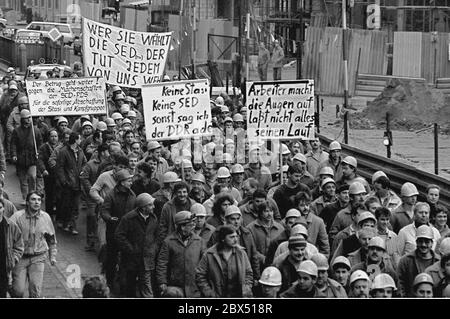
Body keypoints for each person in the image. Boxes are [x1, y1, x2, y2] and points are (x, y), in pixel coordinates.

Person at [10, 191, 57, 298]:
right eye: (33, 199)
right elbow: (8, 236)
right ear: (27, 202)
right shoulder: (17, 217)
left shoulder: (46, 217)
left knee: (35, 290)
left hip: (38, 257)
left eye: (39, 200)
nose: (37, 202)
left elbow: (52, 239)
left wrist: (52, 256)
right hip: (20, 258)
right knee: (18, 291)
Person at [114, 193, 158, 298]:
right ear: (143, 208)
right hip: (131, 259)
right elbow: (119, 236)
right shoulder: (128, 218)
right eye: (150, 205)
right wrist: (131, 249)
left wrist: (154, 249)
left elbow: (157, 235)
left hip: (147, 258)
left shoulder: (153, 218)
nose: (153, 207)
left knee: (146, 284)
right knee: (130, 285)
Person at [100, 169, 136, 290]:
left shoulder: (132, 195)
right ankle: (109, 281)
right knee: (112, 258)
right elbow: (104, 210)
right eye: (128, 180)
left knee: (126, 259)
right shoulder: (111, 195)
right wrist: (110, 218)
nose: (131, 182)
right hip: (113, 232)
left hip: (128, 233)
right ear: (121, 182)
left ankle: (123, 282)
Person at [156, 211, 205, 298]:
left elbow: (205, 264)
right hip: (176, 288)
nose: (194, 226)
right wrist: (162, 282)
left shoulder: (199, 241)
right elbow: (162, 263)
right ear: (182, 227)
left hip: (195, 288)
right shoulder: (168, 242)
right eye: (191, 224)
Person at [195, 225, 253, 297]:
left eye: (236, 236)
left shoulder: (241, 253)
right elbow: (200, 275)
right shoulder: (209, 254)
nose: (235, 240)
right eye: (231, 237)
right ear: (223, 239)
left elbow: (248, 273)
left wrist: (246, 289)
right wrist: (209, 293)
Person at [56, 132, 86, 234]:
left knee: (75, 205)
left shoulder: (81, 151)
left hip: (78, 183)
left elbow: (84, 163)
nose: (81, 140)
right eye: (79, 139)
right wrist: (64, 180)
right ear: (75, 140)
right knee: (67, 204)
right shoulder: (64, 151)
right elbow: (59, 167)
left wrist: (83, 171)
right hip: (68, 184)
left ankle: (72, 225)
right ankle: (66, 222)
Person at [397, 225, 440, 297]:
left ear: (432, 243)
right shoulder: (405, 261)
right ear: (416, 242)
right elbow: (400, 283)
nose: (423, 245)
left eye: (427, 242)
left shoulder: (438, 262)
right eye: (420, 241)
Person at [10, 109, 43, 203]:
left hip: (32, 158)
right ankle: (25, 198)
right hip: (20, 159)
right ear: (22, 119)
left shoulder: (35, 130)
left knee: (33, 177)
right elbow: (13, 144)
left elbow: (40, 143)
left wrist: (39, 152)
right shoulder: (16, 131)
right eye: (26, 118)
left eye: (29, 117)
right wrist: (14, 155)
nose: (28, 120)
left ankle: (32, 196)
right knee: (23, 180)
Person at [247, 201, 285, 270]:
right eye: (266, 211)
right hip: (257, 266)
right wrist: (263, 259)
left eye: (271, 211)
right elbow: (250, 248)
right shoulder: (251, 228)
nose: (269, 214)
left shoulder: (280, 228)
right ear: (261, 213)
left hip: (276, 266)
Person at [0, 198, 23, 298]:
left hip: (3, 268)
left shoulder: (11, 226)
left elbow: (19, 246)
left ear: (3, 209)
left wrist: (12, 260)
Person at [295, 191, 330, 257]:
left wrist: (321, 260)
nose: (306, 208)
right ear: (297, 206)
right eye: (302, 205)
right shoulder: (292, 220)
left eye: (307, 205)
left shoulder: (318, 221)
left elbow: (325, 246)